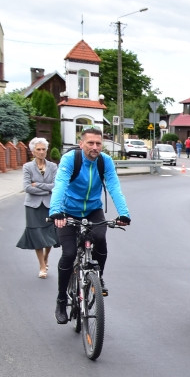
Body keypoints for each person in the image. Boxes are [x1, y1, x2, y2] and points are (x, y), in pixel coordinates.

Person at [48, 127, 131, 324]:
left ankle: (97, 277)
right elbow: (59, 184)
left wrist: (124, 213)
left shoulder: (105, 162)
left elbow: (114, 187)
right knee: (68, 254)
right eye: (90, 143)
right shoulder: (71, 160)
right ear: (81, 144)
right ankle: (61, 299)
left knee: (100, 238)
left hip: (93, 210)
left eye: (98, 144)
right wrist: (55, 212)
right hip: (67, 211)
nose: (95, 147)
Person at [16, 137, 60, 278]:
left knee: (49, 234)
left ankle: (46, 257)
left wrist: (40, 186)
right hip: (33, 207)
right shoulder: (27, 167)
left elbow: (56, 186)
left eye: (44, 149)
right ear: (33, 151)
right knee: (36, 235)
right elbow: (27, 188)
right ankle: (42, 266)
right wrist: (47, 189)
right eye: (38, 149)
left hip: (49, 205)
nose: (41, 152)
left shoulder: (53, 167)